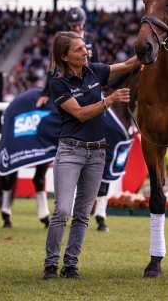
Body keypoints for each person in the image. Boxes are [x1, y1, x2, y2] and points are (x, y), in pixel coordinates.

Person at [43, 31, 138, 279]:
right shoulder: (58, 83)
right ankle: (51, 263)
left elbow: (127, 65)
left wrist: (152, 46)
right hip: (70, 152)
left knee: (83, 213)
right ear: (65, 56)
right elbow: (81, 114)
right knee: (63, 210)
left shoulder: (94, 70)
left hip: (97, 153)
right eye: (78, 50)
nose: (85, 52)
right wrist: (110, 100)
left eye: (85, 48)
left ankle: (71, 265)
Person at [37, 7, 112, 233]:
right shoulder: (63, 43)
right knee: (50, 122)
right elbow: (54, 70)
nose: (77, 29)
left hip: (92, 92)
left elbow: (98, 70)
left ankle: (100, 207)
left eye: (79, 26)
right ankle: (59, 153)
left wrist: (103, 96)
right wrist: (44, 92)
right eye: (73, 27)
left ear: (84, 24)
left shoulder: (92, 45)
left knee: (116, 130)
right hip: (68, 92)